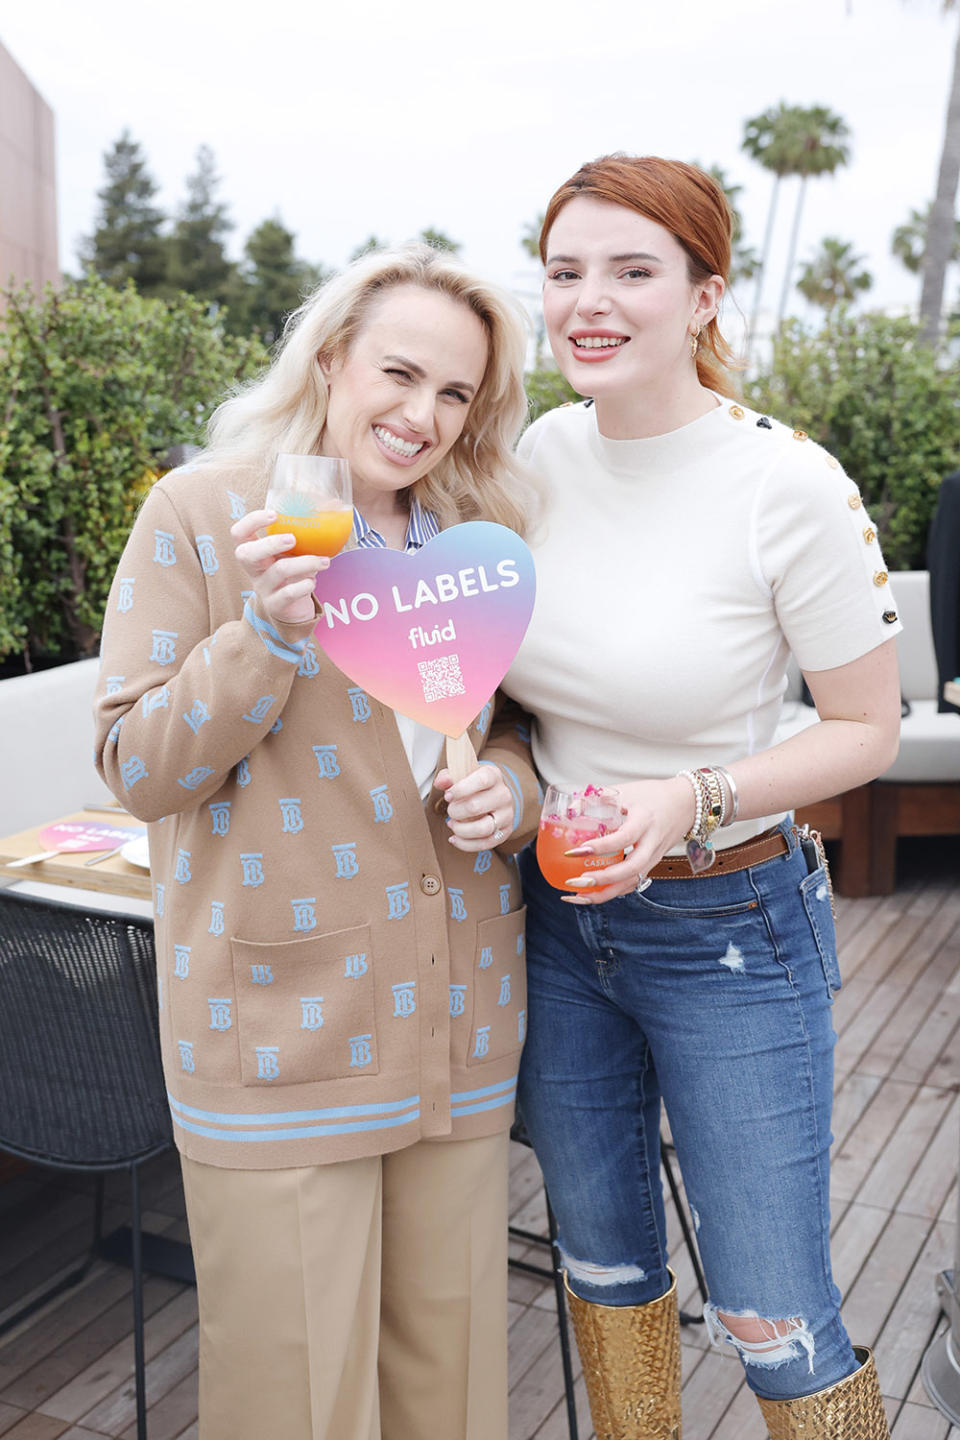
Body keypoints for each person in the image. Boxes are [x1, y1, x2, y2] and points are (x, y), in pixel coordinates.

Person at [93, 245, 542, 1440]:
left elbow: (521, 734)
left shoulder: (473, 533)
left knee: (447, 1392)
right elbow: (137, 766)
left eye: (457, 394)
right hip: (279, 1033)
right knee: (293, 1402)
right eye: (400, 372)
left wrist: (512, 790)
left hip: (460, 1018)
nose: (422, 415)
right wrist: (262, 637)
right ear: (333, 354)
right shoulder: (203, 512)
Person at [503, 155, 901, 1440]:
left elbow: (867, 731)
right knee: (605, 1273)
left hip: (732, 933)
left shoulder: (785, 484)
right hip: (557, 927)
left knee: (770, 1315)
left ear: (706, 295)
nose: (590, 302)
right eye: (567, 273)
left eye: (633, 271)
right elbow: (492, 685)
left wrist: (698, 797)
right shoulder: (535, 460)